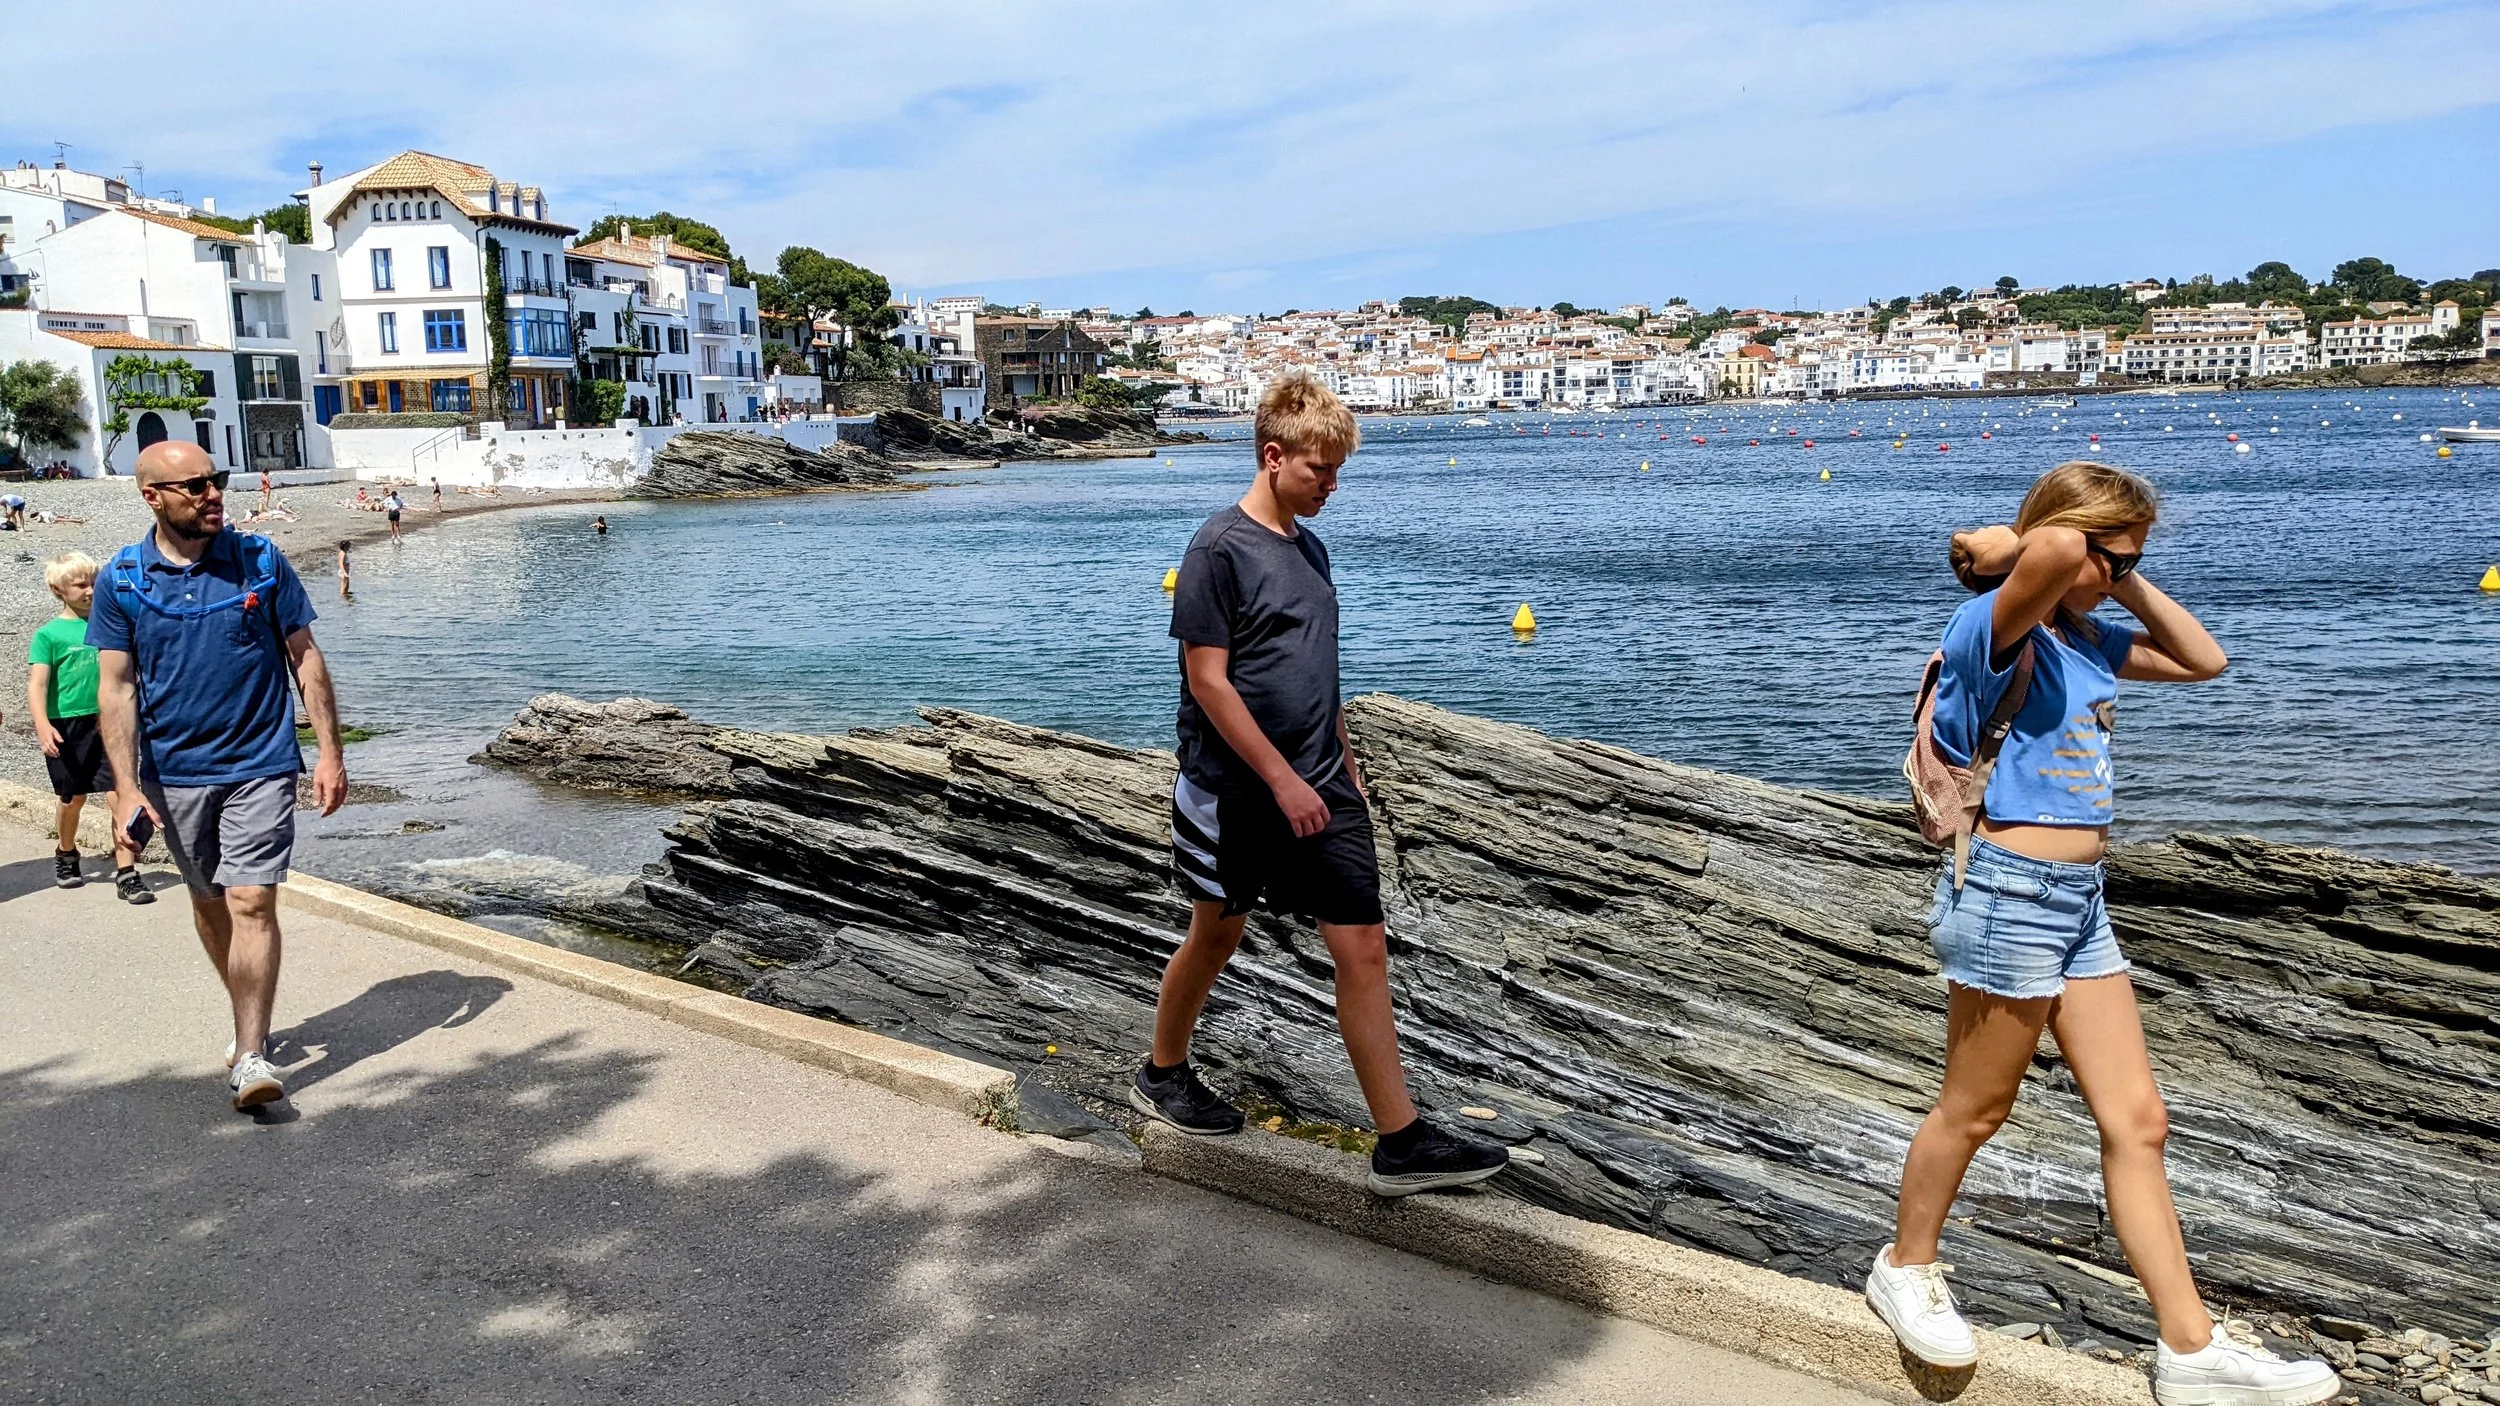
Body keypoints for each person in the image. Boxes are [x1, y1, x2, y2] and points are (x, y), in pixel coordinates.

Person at [1866, 462, 2335, 1406]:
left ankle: (2192, 1352)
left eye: (2134, 561)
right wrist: (2013, 549)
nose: (2120, 574)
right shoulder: (1993, 627)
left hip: (2080, 903)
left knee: (2139, 1121)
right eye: (2111, 556)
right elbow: (2047, 547)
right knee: (1976, 1110)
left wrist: (2119, 579)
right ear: (2065, 537)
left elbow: (2204, 660)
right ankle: (1905, 1268)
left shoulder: (2085, 635)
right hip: (2007, 894)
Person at [1136, 372, 1509, 1198]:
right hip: (1234, 790)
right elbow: (1208, 682)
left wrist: (1341, 759)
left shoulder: (1310, 549)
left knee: (1363, 946)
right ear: (1274, 457)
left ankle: (1400, 1142)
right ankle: (1162, 1073)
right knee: (1215, 935)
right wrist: (1281, 780)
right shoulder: (1217, 550)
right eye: (1320, 469)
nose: (1332, 485)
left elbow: (1312, 668)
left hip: (1322, 781)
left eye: (1338, 470)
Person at [90, 439, 349, 1112]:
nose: (213, 495)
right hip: (174, 772)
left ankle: (253, 1053)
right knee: (209, 902)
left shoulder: (261, 561)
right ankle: (246, 1019)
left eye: (218, 480)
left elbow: (305, 657)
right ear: (152, 496)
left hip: (260, 761)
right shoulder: (123, 580)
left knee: (251, 900)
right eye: (196, 485)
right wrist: (124, 787)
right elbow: (115, 688)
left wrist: (329, 752)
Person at [27, 552, 150, 903]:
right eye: (81, 584)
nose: (91, 590)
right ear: (58, 589)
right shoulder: (49, 635)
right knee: (73, 798)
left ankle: (127, 873)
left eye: (94, 582)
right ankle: (66, 852)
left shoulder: (112, 624)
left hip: (109, 721)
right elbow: (37, 684)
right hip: (67, 726)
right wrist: (42, 725)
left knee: (119, 794)